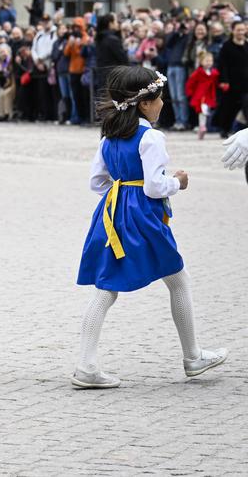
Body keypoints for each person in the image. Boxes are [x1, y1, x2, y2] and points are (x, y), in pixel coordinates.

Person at [71, 66, 227, 389]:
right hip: (143, 217)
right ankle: (193, 355)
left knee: (106, 286)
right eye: (159, 99)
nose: (162, 104)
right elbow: (155, 187)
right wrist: (178, 182)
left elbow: (96, 182)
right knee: (178, 277)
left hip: (112, 213)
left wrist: (121, 192)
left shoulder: (109, 136)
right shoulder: (151, 137)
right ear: (144, 104)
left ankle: (86, 363)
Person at [215, 20, 248, 138]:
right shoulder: (227, 46)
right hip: (231, 83)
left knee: (246, 106)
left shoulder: (246, 45)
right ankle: (224, 129)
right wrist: (224, 80)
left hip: (245, 83)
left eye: (242, 29)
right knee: (228, 107)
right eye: (238, 30)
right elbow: (222, 65)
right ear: (233, 31)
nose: (240, 32)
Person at [185, 51, 219, 140]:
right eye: (206, 61)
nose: (209, 63)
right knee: (202, 111)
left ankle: (202, 128)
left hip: (209, 95)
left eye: (210, 61)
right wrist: (189, 93)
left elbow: (216, 81)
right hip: (201, 96)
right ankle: (202, 126)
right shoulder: (198, 72)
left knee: (206, 111)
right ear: (201, 62)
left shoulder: (214, 72)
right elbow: (190, 83)